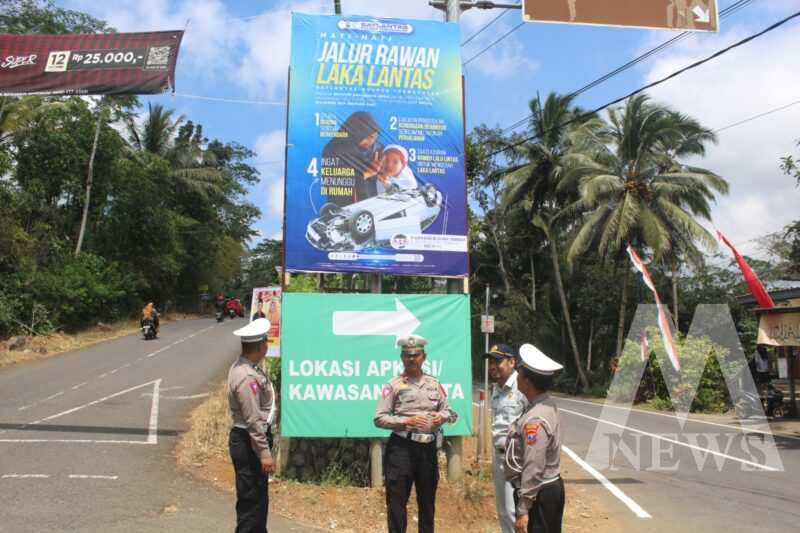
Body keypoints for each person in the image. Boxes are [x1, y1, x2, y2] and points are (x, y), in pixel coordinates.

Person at [374, 334, 458, 533]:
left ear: (424, 357)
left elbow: (450, 412)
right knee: (396, 504)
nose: (411, 359)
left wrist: (442, 417)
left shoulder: (434, 384)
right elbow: (379, 418)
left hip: (427, 450)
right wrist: (406, 421)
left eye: (416, 355)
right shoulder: (393, 385)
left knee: (427, 504)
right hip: (401, 449)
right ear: (402, 358)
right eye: (407, 355)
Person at [504, 344, 564, 533]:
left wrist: (523, 509)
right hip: (545, 490)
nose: (516, 377)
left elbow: (534, 464)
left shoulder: (535, 419)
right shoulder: (544, 403)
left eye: (519, 374)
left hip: (539, 494)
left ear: (527, 382)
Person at [228, 318, 277, 533]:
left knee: (258, 502)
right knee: (251, 503)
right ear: (261, 346)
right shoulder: (247, 376)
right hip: (250, 441)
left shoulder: (249, 368)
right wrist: (264, 452)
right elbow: (252, 419)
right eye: (266, 342)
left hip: (251, 441)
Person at [486, 344, 528, 533]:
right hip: (499, 457)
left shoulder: (523, 387)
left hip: (518, 460)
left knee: (520, 512)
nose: (493, 366)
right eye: (491, 361)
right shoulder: (495, 389)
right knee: (504, 511)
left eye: (497, 361)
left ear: (512, 362)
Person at [321, 111, 383, 206]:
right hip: (345, 206)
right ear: (357, 133)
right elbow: (335, 181)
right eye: (369, 137)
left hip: (371, 206)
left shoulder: (376, 149)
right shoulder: (334, 149)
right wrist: (367, 173)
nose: (372, 141)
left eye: (375, 137)